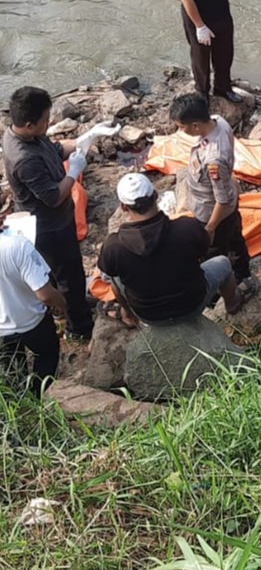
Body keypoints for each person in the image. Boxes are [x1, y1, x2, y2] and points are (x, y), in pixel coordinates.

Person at [2, 86, 110, 340]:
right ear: (29, 124)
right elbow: (52, 197)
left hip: (53, 220)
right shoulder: (24, 158)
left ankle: (62, 306)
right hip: (49, 226)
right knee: (69, 276)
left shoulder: (27, 136)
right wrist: (73, 172)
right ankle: (80, 326)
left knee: (53, 270)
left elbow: (54, 149)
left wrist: (87, 137)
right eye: (45, 120)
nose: (49, 124)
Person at [97, 172, 245, 323]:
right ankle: (232, 304)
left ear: (123, 207)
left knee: (114, 277)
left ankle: (128, 315)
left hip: (149, 316)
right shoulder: (186, 228)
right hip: (192, 305)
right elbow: (205, 248)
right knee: (223, 262)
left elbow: (109, 277)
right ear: (155, 195)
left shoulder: (113, 247)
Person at [169, 93, 254, 293]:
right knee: (235, 238)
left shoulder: (214, 159)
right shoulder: (219, 122)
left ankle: (218, 290)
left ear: (196, 125)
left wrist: (210, 228)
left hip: (212, 211)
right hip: (228, 200)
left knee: (214, 252)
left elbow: (221, 201)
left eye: (182, 127)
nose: (181, 131)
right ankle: (243, 272)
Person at [0, 212, 67, 397]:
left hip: (1, 330)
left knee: (12, 368)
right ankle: (40, 396)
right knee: (46, 356)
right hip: (32, 322)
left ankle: (19, 403)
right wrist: (62, 304)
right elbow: (45, 295)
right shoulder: (18, 245)